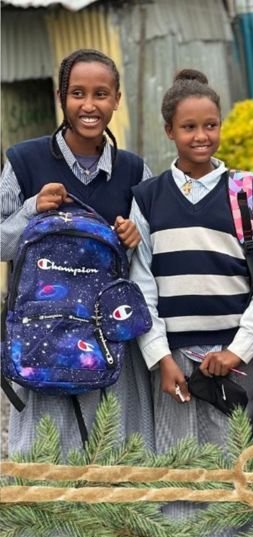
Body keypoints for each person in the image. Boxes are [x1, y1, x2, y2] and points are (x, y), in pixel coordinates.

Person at [1, 48, 154, 455]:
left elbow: (148, 259)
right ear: (60, 97)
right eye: (78, 94)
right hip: (42, 339)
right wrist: (31, 209)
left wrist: (137, 236)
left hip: (110, 343)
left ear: (117, 99)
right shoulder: (24, 161)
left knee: (117, 456)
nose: (89, 106)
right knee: (45, 460)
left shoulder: (135, 171)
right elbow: (1, 243)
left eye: (101, 94)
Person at [129, 69, 253, 459]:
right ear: (169, 131)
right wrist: (161, 358)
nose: (201, 136)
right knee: (178, 466)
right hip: (173, 359)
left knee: (237, 468)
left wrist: (239, 350)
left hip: (234, 358)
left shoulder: (245, 193)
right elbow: (141, 283)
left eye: (210, 125)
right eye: (189, 127)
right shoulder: (148, 198)